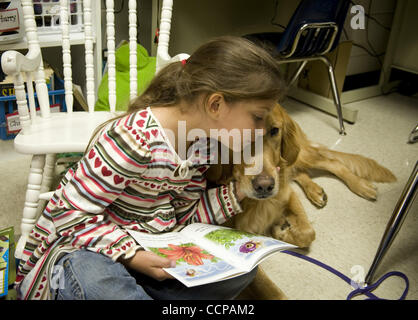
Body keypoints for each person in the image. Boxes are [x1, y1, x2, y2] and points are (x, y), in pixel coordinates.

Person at [15, 36, 285, 300]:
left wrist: (238, 191)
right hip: (83, 248)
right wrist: (130, 255)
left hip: (148, 247)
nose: (260, 130)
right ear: (215, 104)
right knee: (94, 278)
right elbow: (68, 213)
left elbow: (184, 215)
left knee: (241, 270)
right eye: (258, 117)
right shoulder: (134, 139)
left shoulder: (203, 147)